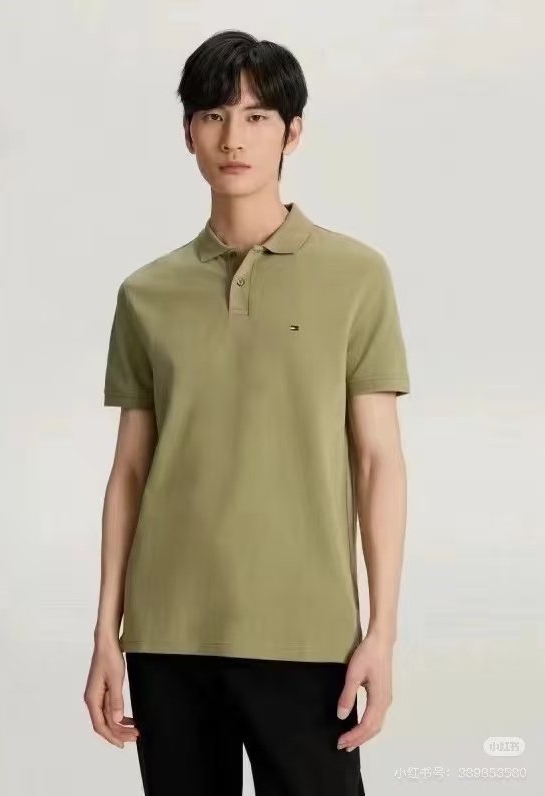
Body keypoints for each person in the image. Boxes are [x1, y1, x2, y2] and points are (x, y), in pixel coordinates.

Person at [84, 28, 411, 796]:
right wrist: (106, 632)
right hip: (168, 637)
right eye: (214, 115)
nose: (234, 137)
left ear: (292, 133)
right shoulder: (146, 293)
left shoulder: (357, 276)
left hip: (307, 636)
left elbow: (378, 463)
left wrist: (383, 632)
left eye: (258, 116)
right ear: (189, 133)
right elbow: (130, 471)